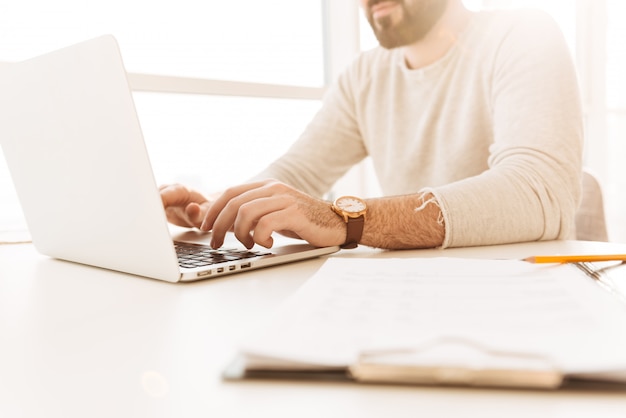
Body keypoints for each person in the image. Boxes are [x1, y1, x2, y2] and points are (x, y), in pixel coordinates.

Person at [160, 0, 583, 251]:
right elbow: (297, 172)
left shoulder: (524, 34)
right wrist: (218, 206)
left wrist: (347, 220)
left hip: (520, 297)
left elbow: (537, 192)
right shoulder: (365, 76)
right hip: (409, 295)